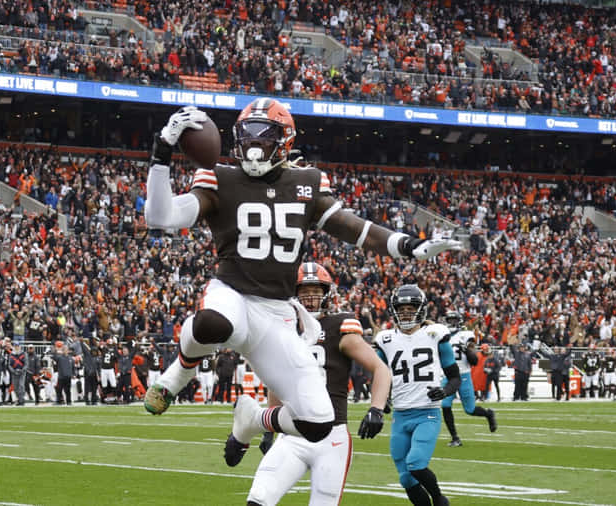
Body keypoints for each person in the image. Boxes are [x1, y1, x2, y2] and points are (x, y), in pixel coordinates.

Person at [143, 101, 460, 451]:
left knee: (318, 423)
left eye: (264, 136)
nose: (253, 144)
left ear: (285, 140)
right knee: (214, 322)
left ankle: (251, 420)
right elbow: (162, 217)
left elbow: (355, 229)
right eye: (247, 135)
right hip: (231, 292)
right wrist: (161, 154)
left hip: (276, 312)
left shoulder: (306, 182)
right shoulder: (221, 177)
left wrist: (409, 245)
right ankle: (178, 374)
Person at [227, 262, 393, 505]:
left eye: (316, 292)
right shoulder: (284, 330)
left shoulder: (340, 327)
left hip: (331, 438)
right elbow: (277, 381)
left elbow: (381, 369)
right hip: (292, 435)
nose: (310, 298)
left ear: (326, 294)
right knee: (258, 499)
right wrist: (270, 432)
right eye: (304, 292)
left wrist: (376, 408)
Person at [374, 285, 461, 506]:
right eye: (400, 308)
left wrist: (445, 391)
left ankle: (440, 499)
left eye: (410, 308)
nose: (405, 313)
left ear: (420, 310)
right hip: (400, 415)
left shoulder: (435, 335)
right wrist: (380, 401)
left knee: (416, 463)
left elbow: (454, 377)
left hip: (427, 413)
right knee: (405, 478)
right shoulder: (385, 340)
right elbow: (378, 373)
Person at [439, 311, 497, 447]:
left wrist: (466, 350)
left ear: (459, 322)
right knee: (445, 405)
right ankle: (455, 438)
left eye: (454, 320)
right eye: (450, 320)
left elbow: (475, 361)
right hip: (448, 375)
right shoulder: (442, 336)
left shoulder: (466, 336)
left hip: (463, 375)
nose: (452, 323)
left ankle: (488, 414)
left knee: (470, 410)